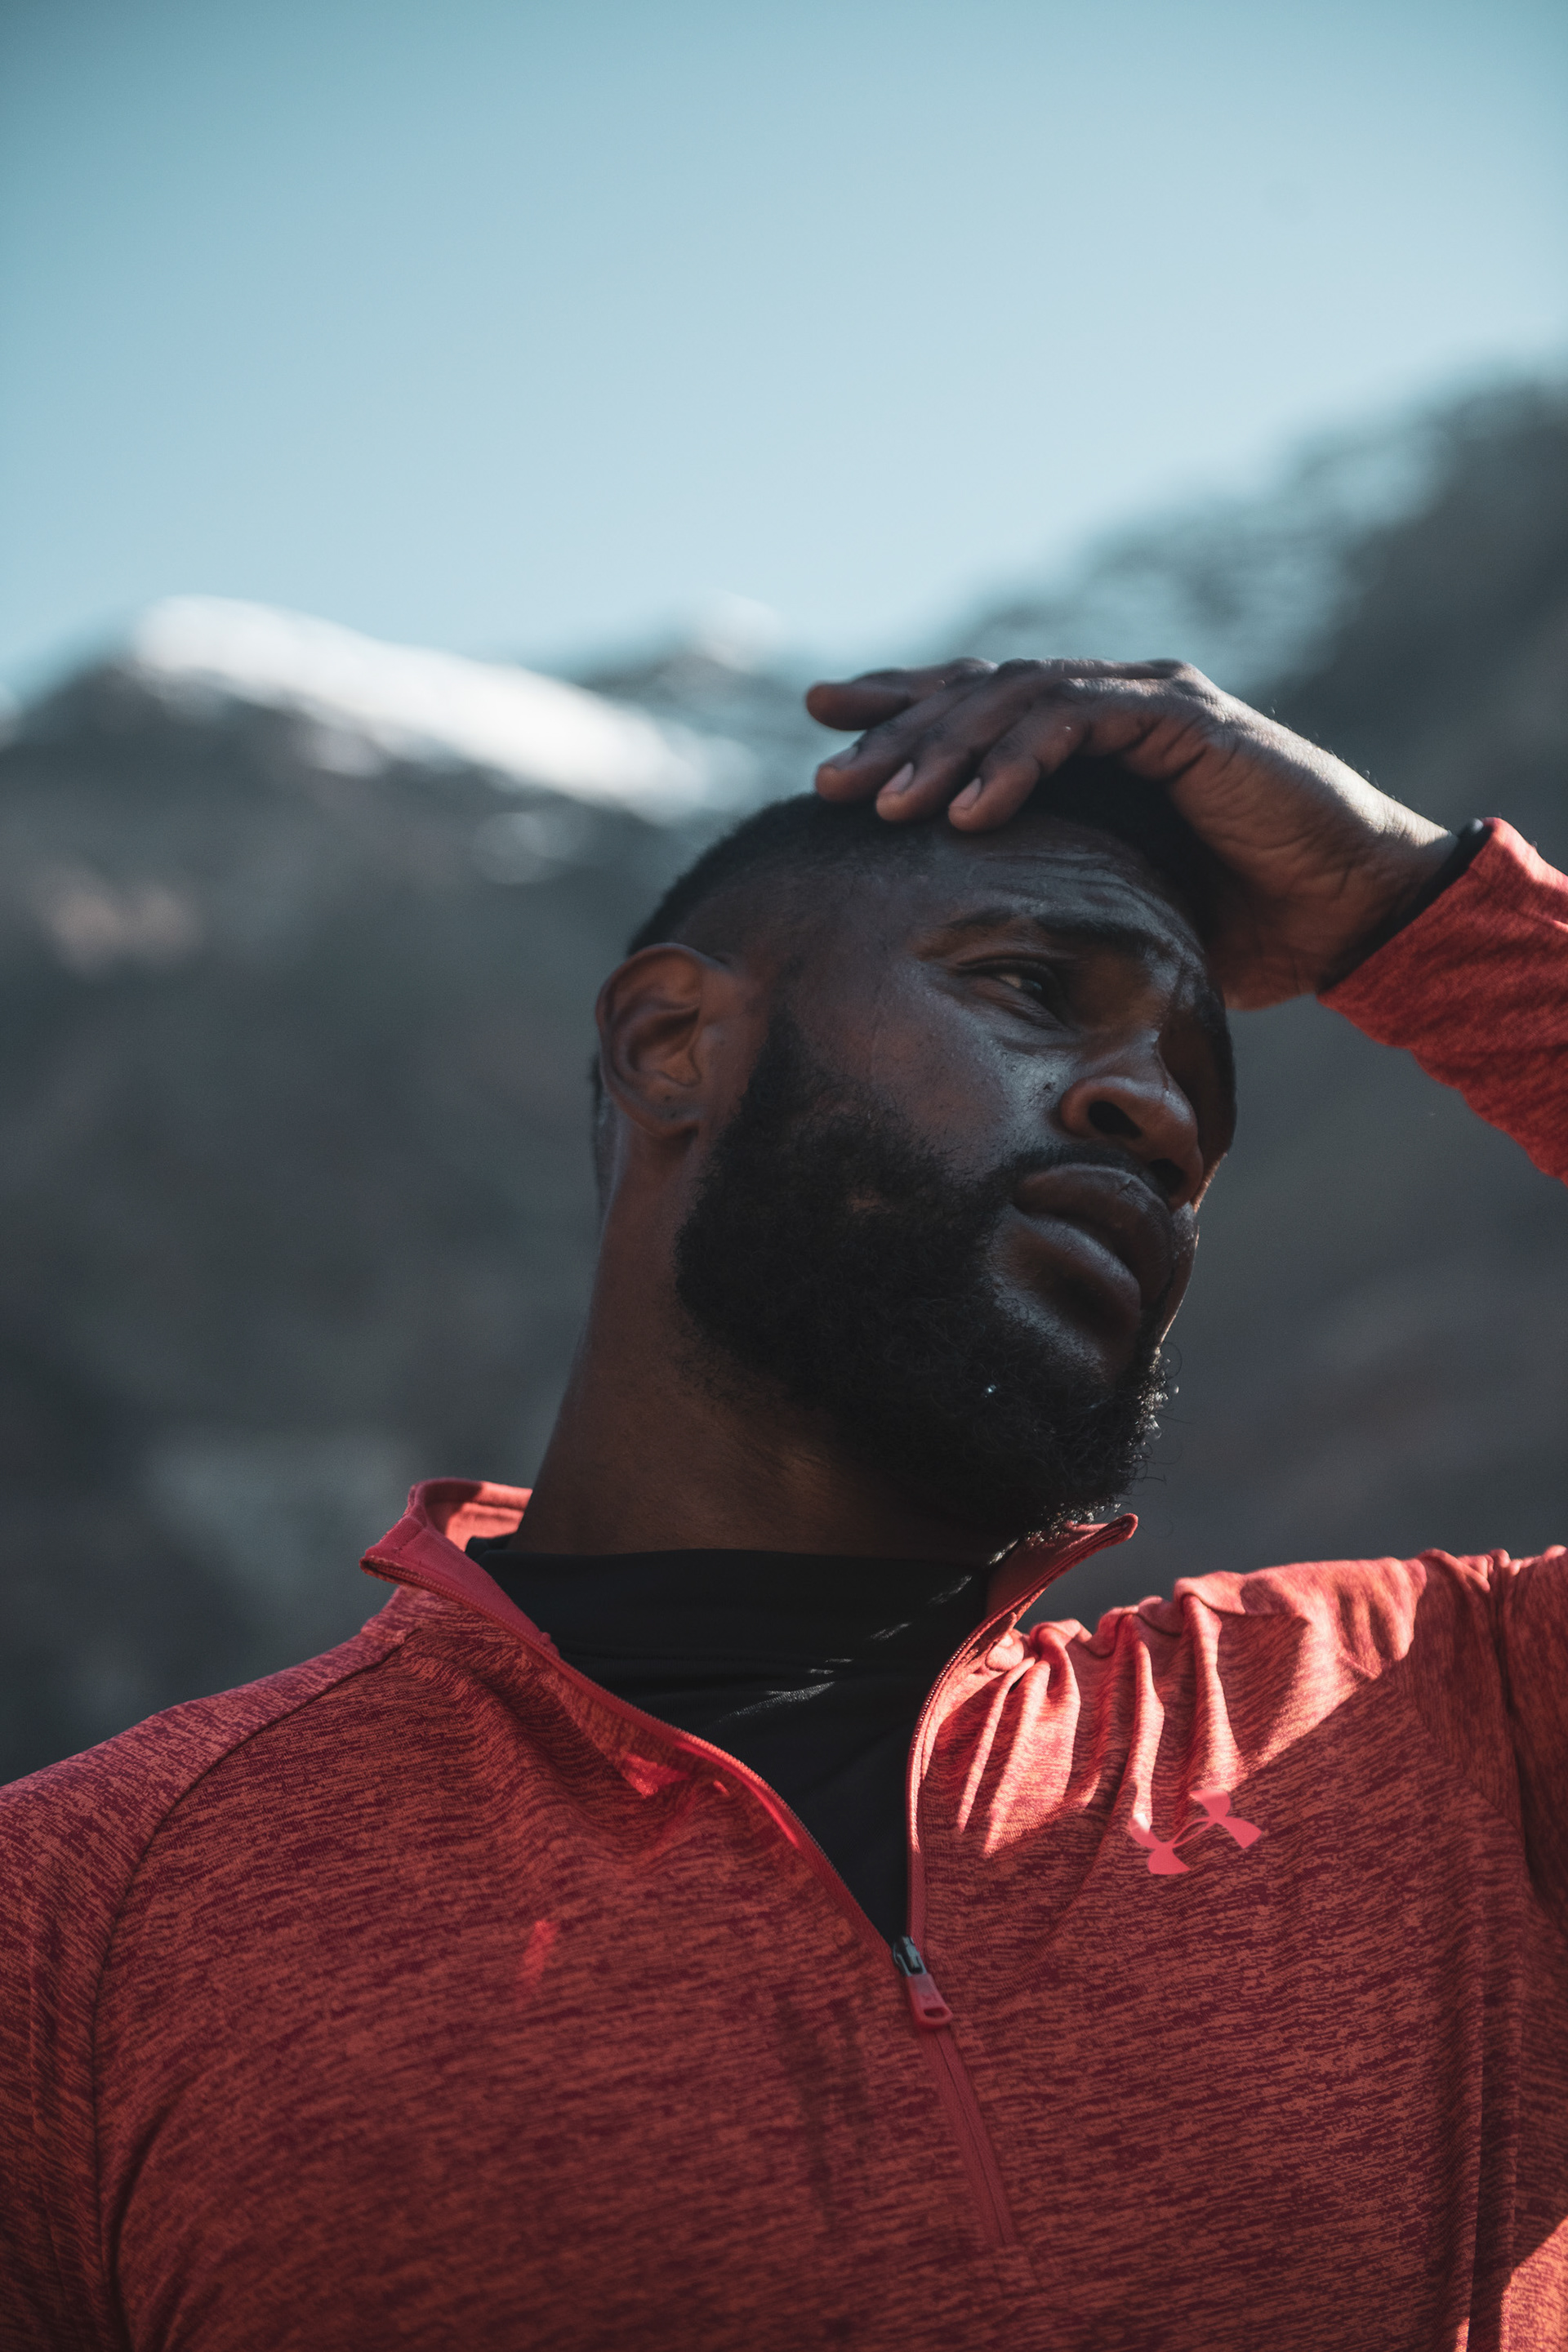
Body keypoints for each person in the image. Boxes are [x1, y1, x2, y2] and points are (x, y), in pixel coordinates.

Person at [1, 657, 1564, 2352]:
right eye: (1034, 987)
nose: (1159, 1116)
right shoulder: (84, 1915)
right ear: (674, 1044)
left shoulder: (1440, 1716)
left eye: (1201, 1096)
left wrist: (1413, 903)